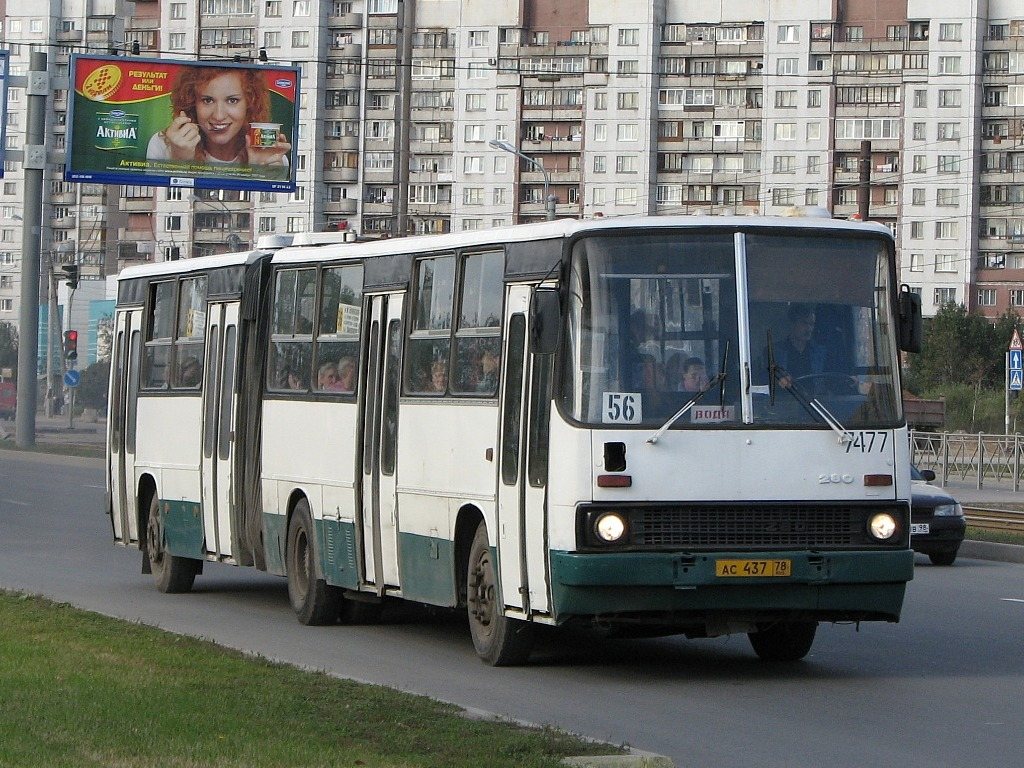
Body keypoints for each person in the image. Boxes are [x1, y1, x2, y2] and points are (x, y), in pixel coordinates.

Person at [146, 67, 290, 167]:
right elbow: (168, 198)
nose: (219, 116)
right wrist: (179, 160)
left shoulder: (272, 157)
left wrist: (257, 171)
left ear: (250, 103)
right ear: (191, 103)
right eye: (207, 100)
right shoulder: (162, 145)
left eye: (232, 100)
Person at [771, 303, 827, 386]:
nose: (809, 329)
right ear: (792, 324)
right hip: (784, 398)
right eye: (804, 323)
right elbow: (767, 381)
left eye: (811, 324)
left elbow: (830, 382)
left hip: (816, 398)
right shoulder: (774, 352)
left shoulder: (821, 352)